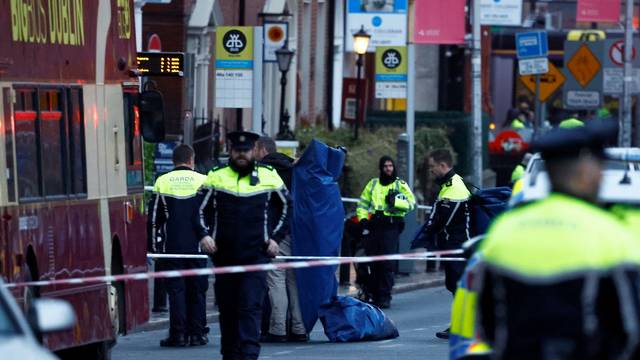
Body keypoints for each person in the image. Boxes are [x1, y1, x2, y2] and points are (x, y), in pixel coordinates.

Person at [475, 121, 640, 358]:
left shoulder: (504, 230)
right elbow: (627, 330)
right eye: (599, 167)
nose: (602, 175)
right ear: (584, 171)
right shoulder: (608, 233)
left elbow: (487, 319)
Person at [198, 131, 291, 360]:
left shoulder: (269, 177)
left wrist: (275, 239)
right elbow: (199, 210)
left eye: (246, 151)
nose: (242, 155)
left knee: (250, 308)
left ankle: (249, 355)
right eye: (237, 151)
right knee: (228, 311)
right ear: (231, 152)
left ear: (254, 152)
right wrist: (204, 235)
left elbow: (288, 208)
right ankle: (230, 355)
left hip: (255, 256)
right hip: (225, 257)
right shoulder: (216, 177)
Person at [148, 144, 209, 347]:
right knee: (197, 291)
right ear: (192, 160)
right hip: (198, 247)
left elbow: (154, 218)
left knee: (176, 292)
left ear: (174, 161)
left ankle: (178, 335)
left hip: (171, 246)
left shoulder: (162, 181)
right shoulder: (203, 180)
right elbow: (211, 214)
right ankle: (197, 334)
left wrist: (153, 249)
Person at [253, 136, 307, 343]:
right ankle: (299, 328)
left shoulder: (263, 172)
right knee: (293, 281)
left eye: (255, 149)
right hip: (298, 231)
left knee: (276, 279)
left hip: (276, 232)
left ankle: (278, 329)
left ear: (262, 149)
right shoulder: (293, 168)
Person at [415, 149, 471, 340]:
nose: (431, 171)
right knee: (453, 284)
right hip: (451, 244)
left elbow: (442, 219)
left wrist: (427, 232)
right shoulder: (447, 185)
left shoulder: (455, 186)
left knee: (458, 284)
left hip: (458, 244)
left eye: (432, 167)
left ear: (443, 166)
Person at [356, 156, 416, 309]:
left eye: (390, 166)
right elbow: (362, 204)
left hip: (391, 226)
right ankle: (373, 293)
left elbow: (411, 203)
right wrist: (363, 220)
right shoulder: (373, 183)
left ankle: (385, 295)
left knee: (386, 263)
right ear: (381, 168)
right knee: (373, 261)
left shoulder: (400, 184)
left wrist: (395, 202)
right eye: (385, 166)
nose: (388, 169)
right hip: (375, 225)